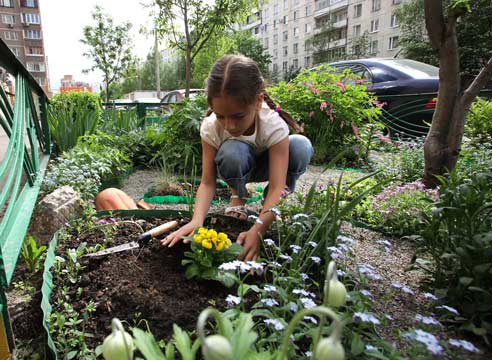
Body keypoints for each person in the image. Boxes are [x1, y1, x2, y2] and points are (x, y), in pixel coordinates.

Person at [161, 54, 313, 261]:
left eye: (238, 116)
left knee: (301, 146)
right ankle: (237, 197)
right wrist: (197, 220)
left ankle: (272, 208)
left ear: (258, 102)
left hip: (272, 169)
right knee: (233, 150)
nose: (229, 125)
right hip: (238, 166)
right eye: (221, 116)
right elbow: (207, 182)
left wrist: (258, 228)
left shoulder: (273, 124)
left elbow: (278, 185)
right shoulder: (211, 127)